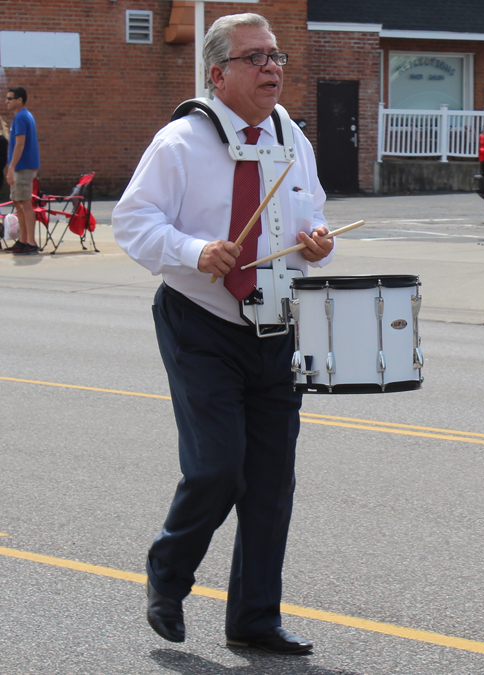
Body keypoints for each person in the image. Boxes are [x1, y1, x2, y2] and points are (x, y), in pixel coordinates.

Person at [112, 12, 334, 655]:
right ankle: (168, 573)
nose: (273, 67)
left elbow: (311, 209)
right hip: (201, 321)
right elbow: (133, 222)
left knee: (270, 480)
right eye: (256, 57)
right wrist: (192, 249)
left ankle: (255, 619)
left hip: (277, 323)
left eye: (276, 55)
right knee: (217, 467)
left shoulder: (292, 136)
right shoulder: (181, 141)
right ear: (219, 73)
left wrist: (316, 241)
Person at [5, 87, 40, 255]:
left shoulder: (20, 117)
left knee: (25, 204)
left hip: (23, 167)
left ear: (19, 100)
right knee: (18, 203)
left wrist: (11, 168)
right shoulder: (23, 116)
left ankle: (31, 242)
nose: (7, 101)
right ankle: (23, 240)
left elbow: (20, 144)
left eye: (10, 98)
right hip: (21, 166)